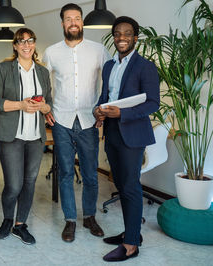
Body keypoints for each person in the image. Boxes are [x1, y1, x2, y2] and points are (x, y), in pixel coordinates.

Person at [93, 16, 160, 262]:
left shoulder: (145, 66)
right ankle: (131, 233)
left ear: (135, 37)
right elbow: (105, 96)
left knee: (130, 187)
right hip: (111, 132)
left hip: (132, 135)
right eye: (117, 34)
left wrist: (123, 112)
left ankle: (131, 245)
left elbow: (154, 103)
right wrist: (98, 111)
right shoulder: (110, 66)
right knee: (120, 185)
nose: (121, 38)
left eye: (127, 33)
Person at [43, 3, 111, 242]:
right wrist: (46, 107)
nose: (73, 22)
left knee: (91, 174)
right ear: (62, 23)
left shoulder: (99, 50)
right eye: (69, 18)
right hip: (61, 119)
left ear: (82, 22)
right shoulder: (51, 52)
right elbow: (42, 82)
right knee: (64, 173)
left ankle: (90, 217)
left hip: (89, 121)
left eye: (77, 18)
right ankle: (70, 220)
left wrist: (103, 108)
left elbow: (112, 80)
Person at [0, 28, 52, 245]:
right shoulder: (4, 68)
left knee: (29, 182)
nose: (26, 45)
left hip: (35, 137)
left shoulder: (42, 72)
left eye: (30, 41)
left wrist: (44, 106)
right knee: (14, 185)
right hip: (11, 135)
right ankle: (8, 218)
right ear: (15, 46)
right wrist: (20, 105)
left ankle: (20, 224)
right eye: (21, 42)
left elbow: (49, 102)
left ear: (34, 44)